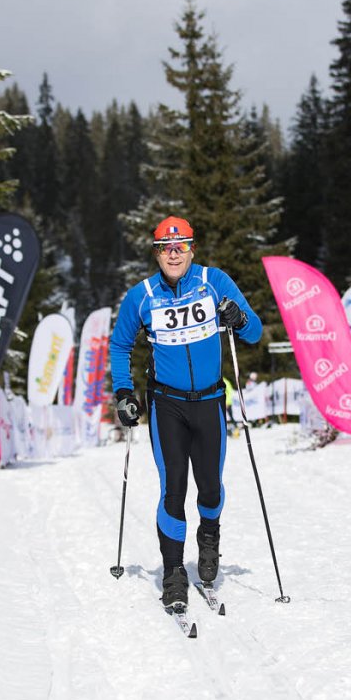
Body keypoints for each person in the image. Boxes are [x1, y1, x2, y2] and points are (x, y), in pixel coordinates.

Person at [109, 215, 262, 610]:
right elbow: (120, 346)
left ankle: (209, 536)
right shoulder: (141, 296)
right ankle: (174, 571)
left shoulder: (215, 282)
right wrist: (124, 391)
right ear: (156, 253)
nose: (173, 255)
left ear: (192, 248)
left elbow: (255, 333)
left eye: (180, 247)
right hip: (167, 404)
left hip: (210, 402)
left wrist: (238, 319)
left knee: (210, 486)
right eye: (165, 248)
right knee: (173, 487)